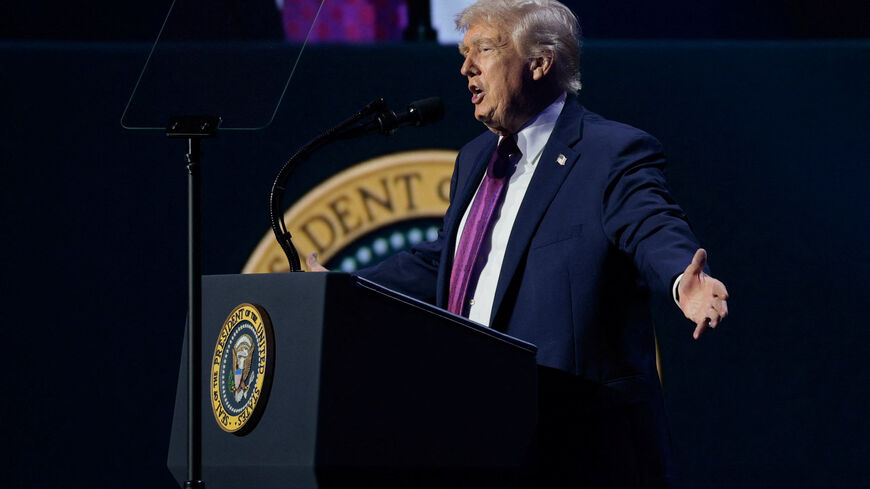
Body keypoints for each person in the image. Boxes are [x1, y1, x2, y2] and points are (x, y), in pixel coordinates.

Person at [309, 1, 728, 487]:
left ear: (540, 62)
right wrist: (344, 287)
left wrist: (683, 278)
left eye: (483, 49)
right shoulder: (474, 159)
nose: (466, 67)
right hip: (480, 438)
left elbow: (651, 223)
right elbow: (442, 261)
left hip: (579, 449)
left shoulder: (609, 152)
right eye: (464, 53)